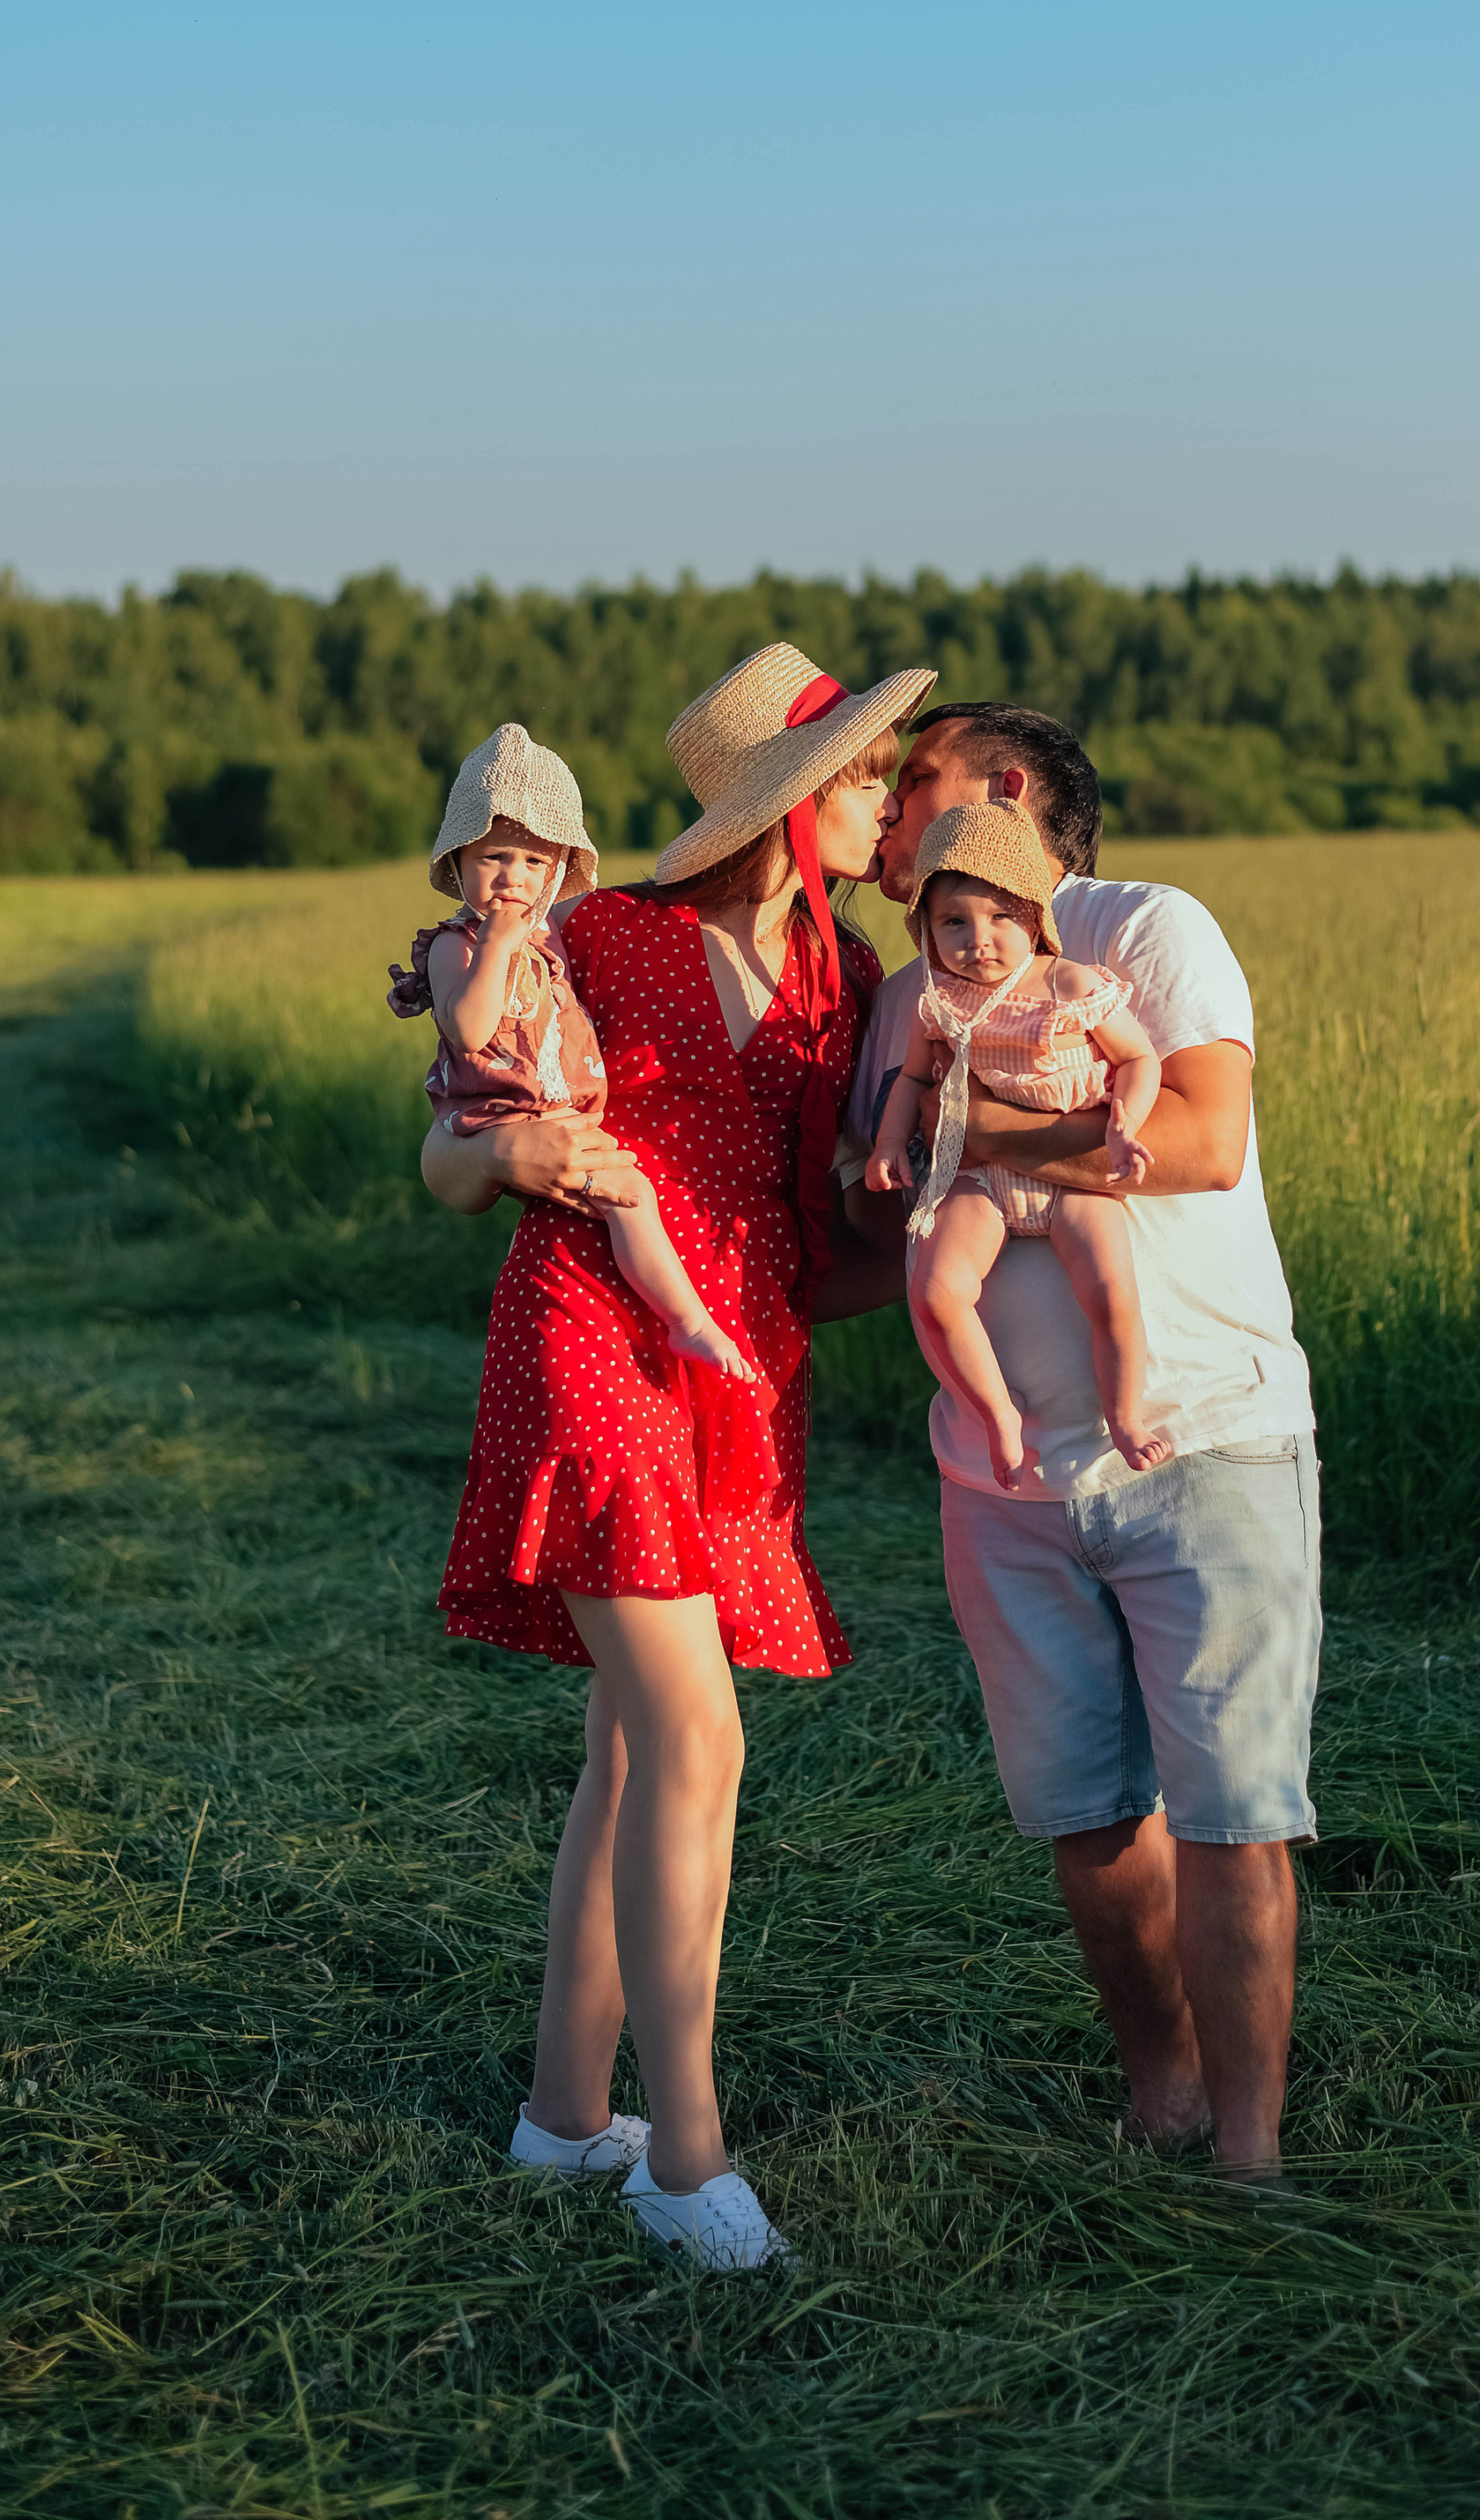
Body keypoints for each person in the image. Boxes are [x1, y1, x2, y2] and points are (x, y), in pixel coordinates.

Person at [418, 644, 935, 2269]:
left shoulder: (842, 983)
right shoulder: (605, 937)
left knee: (635, 1755)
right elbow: (444, 1148)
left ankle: (566, 2121)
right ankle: (684, 2152)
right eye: (860, 778)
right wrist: (515, 1151)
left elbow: (835, 1209)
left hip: (737, 1376)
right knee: (696, 1737)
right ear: (787, 807)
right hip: (586, 1337)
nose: (882, 802)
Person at [845, 702, 1319, 2179]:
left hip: (1206, 1439)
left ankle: (1252, 2159)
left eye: (906, 781)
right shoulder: (914, 980)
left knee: (1237, 1817)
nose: (880, 810)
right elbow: (875, 1201)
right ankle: (1161, 2096)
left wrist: (981, 1145)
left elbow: (1198, 1138)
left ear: (1000, 792)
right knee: (1091, 1823)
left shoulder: (1146, 931)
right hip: (1004, 1479)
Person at [388, 722, 756, 1386]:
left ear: (557, 871)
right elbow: (469, 1031)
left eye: (534, 863)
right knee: (628, 1192)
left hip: (558, 1114)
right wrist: (498, 946)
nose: (513, 878)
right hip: (501, 1115)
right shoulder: (458, 946)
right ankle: (687, 1320)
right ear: (460, 863)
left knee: (629, 1196)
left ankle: (679, 1321)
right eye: (495, 858)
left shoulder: (552, 939)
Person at [867, 799, 1167, 1486]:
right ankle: (997, 1414)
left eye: (1003, 916)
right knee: (938, 1291)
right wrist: (889, 1145)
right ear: (926, 932)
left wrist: (1124, 1125)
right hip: (981, 1181)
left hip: (1069, 1177)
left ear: (1035, 917)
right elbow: (914, 1078)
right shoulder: (936, 1001)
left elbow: (1139, 1060)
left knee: (1111, 1289)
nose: (981, 938)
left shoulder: (1068, 985)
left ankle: (1125, 1415)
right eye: (954, 922)